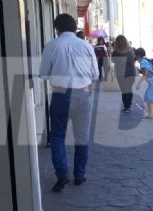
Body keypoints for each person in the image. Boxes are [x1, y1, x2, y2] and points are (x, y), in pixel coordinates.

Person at [39, 13, 99, 192]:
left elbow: (43, 74)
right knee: (81, 137)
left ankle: (62, 174)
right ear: (75, 27)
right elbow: (95, 75)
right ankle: (79, 175)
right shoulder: (86, 46)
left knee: (57, 136)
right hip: (83, 95)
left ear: (57, 29)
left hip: (60, 95)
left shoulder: (52, 46)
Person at [111, 35, 136, 113]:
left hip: (121, 73)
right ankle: (128, 105)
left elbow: (113, 61)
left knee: (124, 90)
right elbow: (132, 61)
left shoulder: (115, 52)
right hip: (131, 73)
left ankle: (126, 106)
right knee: (128, 89)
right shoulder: (130, 50)